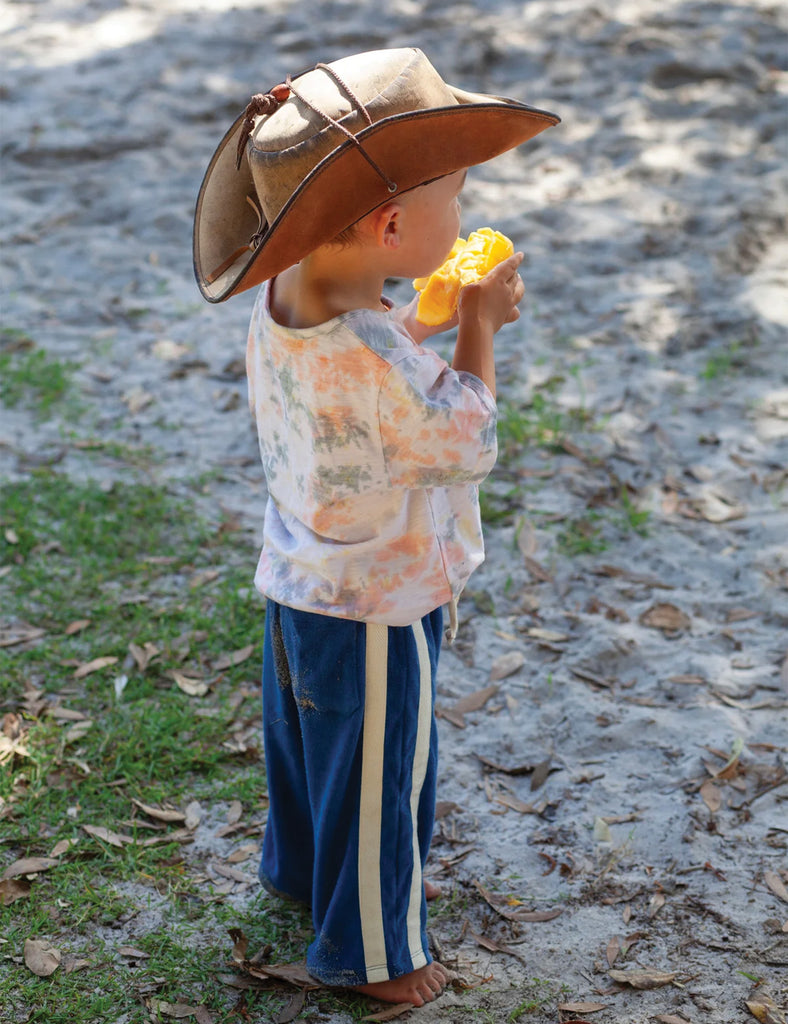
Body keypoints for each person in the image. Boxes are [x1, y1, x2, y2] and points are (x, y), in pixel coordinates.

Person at [193, 47, 559, 1007]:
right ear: (393, 224)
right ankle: (372, 959)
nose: (464, 208)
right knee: (380, 773)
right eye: (458, 194)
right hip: (377, 604)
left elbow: (360, 386)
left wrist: (424, 322)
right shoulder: (371, 356)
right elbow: (459, 440)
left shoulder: (293, 302)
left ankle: (300, 872)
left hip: (304, 578)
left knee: (311, 750)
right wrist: (479, 325)